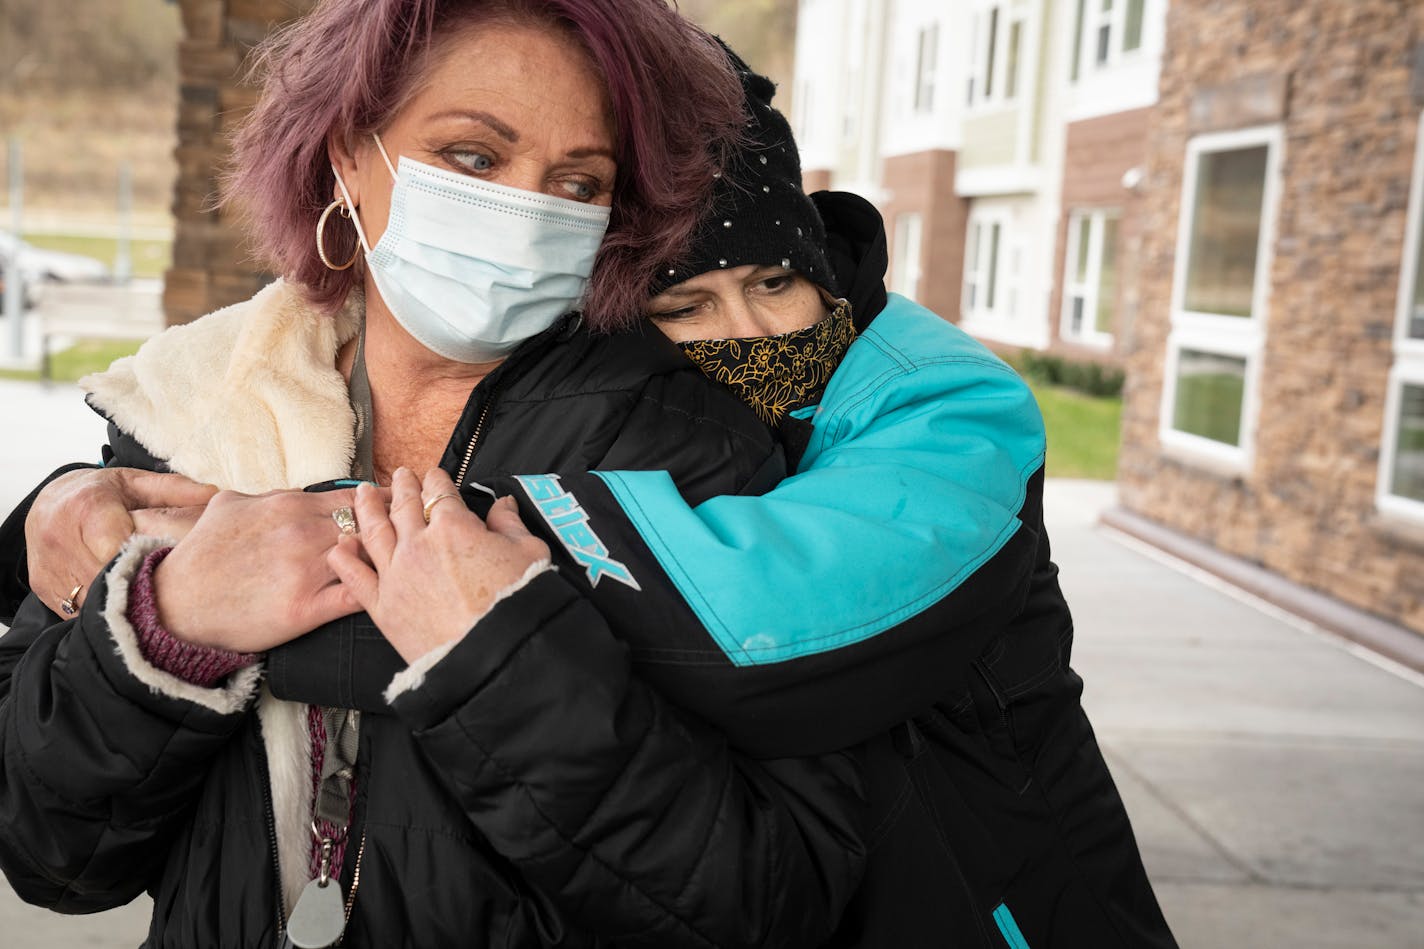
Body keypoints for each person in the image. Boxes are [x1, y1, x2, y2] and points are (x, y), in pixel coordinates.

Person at [3, 33, 1178, 949]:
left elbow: (738, 652)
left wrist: (201, 610)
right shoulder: (193, 409)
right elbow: (50, 847)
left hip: (995, 896)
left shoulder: (896, 418)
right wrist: (74, 546)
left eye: (577, 181)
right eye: (471, 156)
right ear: (345, 157)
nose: (747, 335)